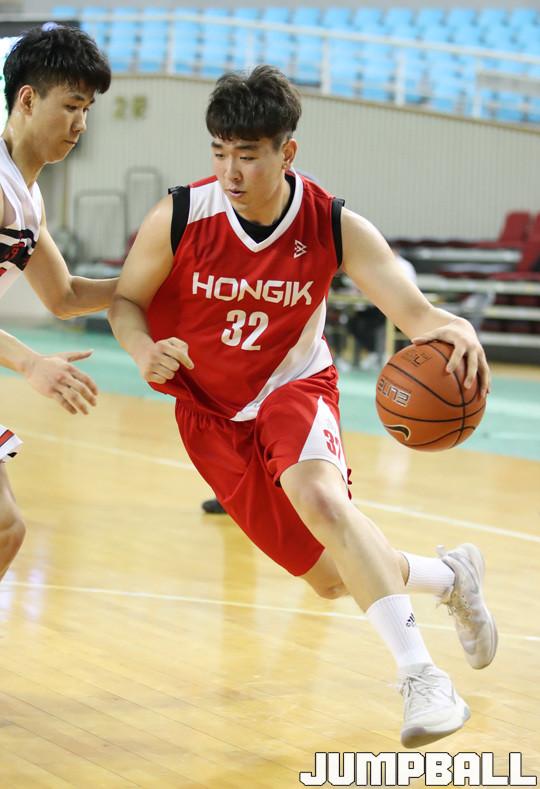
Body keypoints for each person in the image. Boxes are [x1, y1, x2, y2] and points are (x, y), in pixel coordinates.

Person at [108, 65, 496, 748]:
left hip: (293, 388)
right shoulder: (180, 214)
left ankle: (422, 676)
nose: (231, 171)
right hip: (210, 413)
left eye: (248, 155)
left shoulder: (333, 224)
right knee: (329, 579)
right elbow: (124, 301)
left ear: (287, 152)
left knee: (322, 500)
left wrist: (454, 327)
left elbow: (415, 313)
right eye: (219, 152)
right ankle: (449, 576)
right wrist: (141, 350)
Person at [0, 25, 115, 580]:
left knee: (6, 529)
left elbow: (65, 296)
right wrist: (30, 363)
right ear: (27, 99)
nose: (81, 124)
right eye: (71, 106)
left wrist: (161, 283)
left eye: (87, 109)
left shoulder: (28, 195)